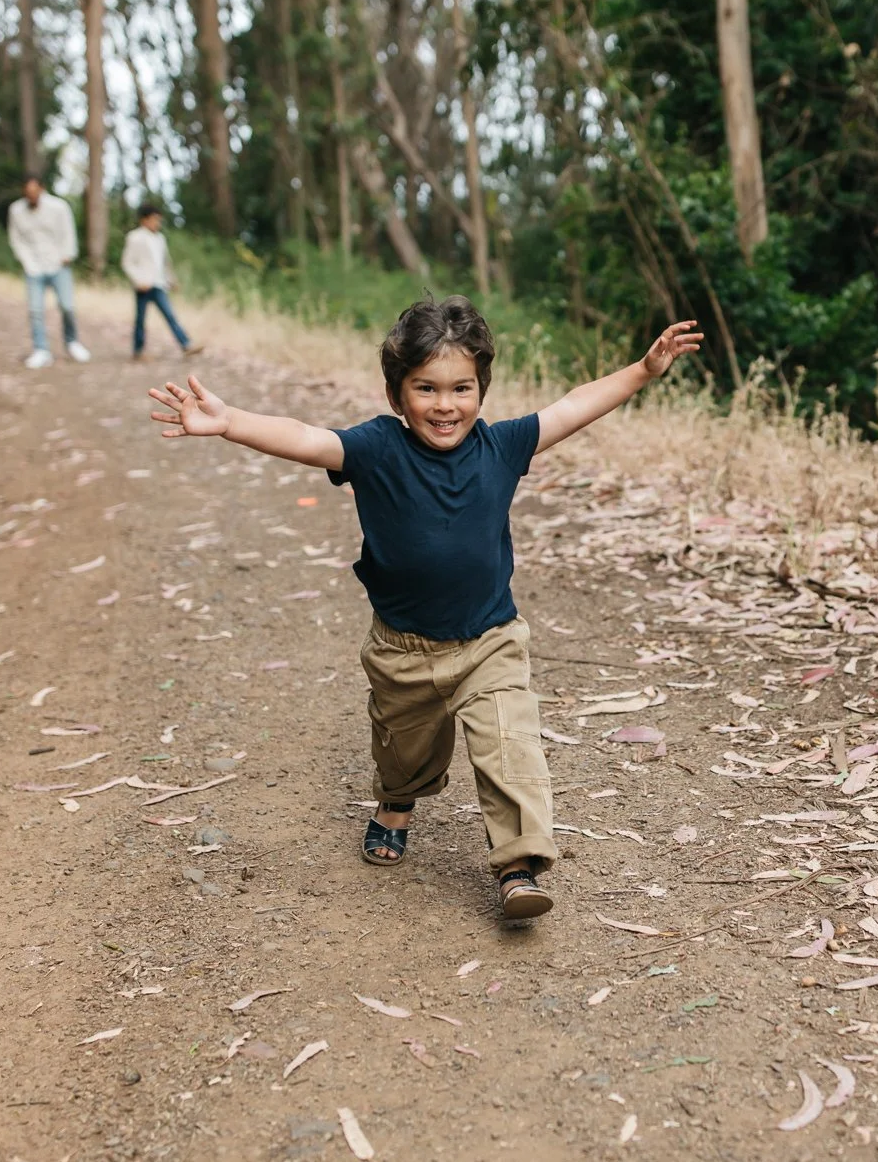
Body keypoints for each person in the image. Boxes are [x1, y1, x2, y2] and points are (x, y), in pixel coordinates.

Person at [147, 296, 702, 920]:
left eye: (462, 387)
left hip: (490, 640)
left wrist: (644, 370)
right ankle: (396, 803)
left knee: (511, 746)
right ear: (396, 395)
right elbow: (306, 437)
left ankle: (518, 869)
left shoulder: (504, 446)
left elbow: (573, 405)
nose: (445, 404)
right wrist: (230, 422)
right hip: (402, 648)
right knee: (404, 751)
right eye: (426, 388)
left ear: (482, 391)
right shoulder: (379, 449)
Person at [7, 175, 91, 369]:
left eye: (35, 192)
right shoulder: (16, 210)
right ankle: (41, 350)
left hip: (58, 264)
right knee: (35, 310)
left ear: (42, 189)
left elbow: (68, 232)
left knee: (67, 306)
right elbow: (16, 239)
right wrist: (26, 261)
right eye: (28, 193)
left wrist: (67, 254)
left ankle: (72, 343)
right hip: (33, 267)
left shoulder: (58, 207)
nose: (32, 197)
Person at [121, 204, 202, 362]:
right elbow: (127, 263)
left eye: (159, 220)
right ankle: (138, 351)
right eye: (154, 219)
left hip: (159, 284)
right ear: (144, 220)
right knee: (140, 319)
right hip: (143, 285)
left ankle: (186, 344)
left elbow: (165, 263)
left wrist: (171, 279)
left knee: (170, 315)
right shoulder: (135, 237)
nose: (157, 223)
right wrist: (138, 281)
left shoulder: (160, 238)